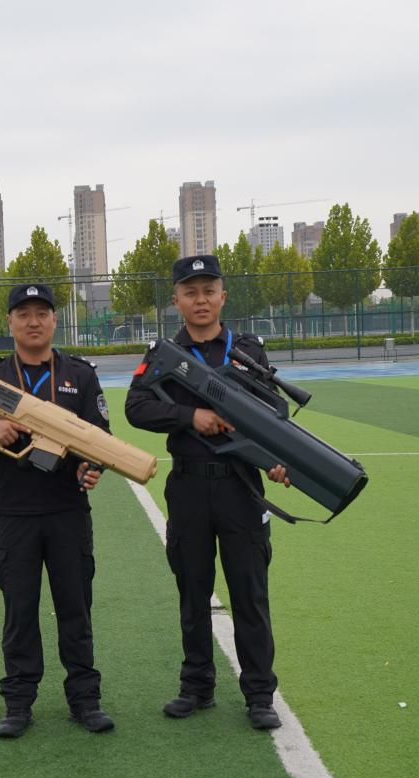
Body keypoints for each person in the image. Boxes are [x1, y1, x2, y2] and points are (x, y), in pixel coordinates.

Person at [124, 254, 292, 730]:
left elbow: (273, 414)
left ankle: (259, 695)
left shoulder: (248, 351)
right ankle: (197, 687)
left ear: (223, 296)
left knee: (250, 594)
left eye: (209, 290)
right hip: (189, 487)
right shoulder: (163, 354)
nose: (201, 300)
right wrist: (189, 417)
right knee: (193, 592)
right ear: (176, 300)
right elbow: (136, 407)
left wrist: (277, 462)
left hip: (242, 487)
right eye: (190, 292)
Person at [0, 282, 115, 738]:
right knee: (19, 611)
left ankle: (85, 699)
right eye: (24, 314)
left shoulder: (79, 374)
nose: (33, 322)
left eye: (42, 313)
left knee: (75, 608)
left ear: (55, 320)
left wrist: (92, 468)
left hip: (67, 512)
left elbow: (101, 439)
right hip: (15, 515)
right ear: (10, 322)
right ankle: (18, 703)